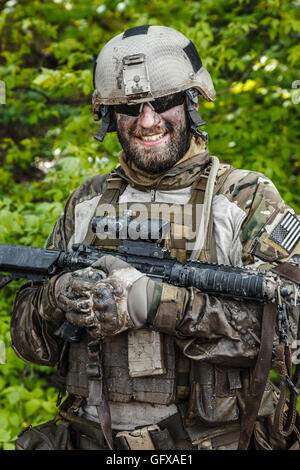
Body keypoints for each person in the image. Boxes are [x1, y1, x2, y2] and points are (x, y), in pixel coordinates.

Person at [10, 25, 300, 451]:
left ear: (191, 101)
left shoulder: (243, 198)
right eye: (130, 107)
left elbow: (291, 330)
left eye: (163, 102)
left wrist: (160, 304)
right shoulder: (87, 201)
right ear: (110, 116)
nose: (147, 121)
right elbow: (29, 345)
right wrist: (57, 297)